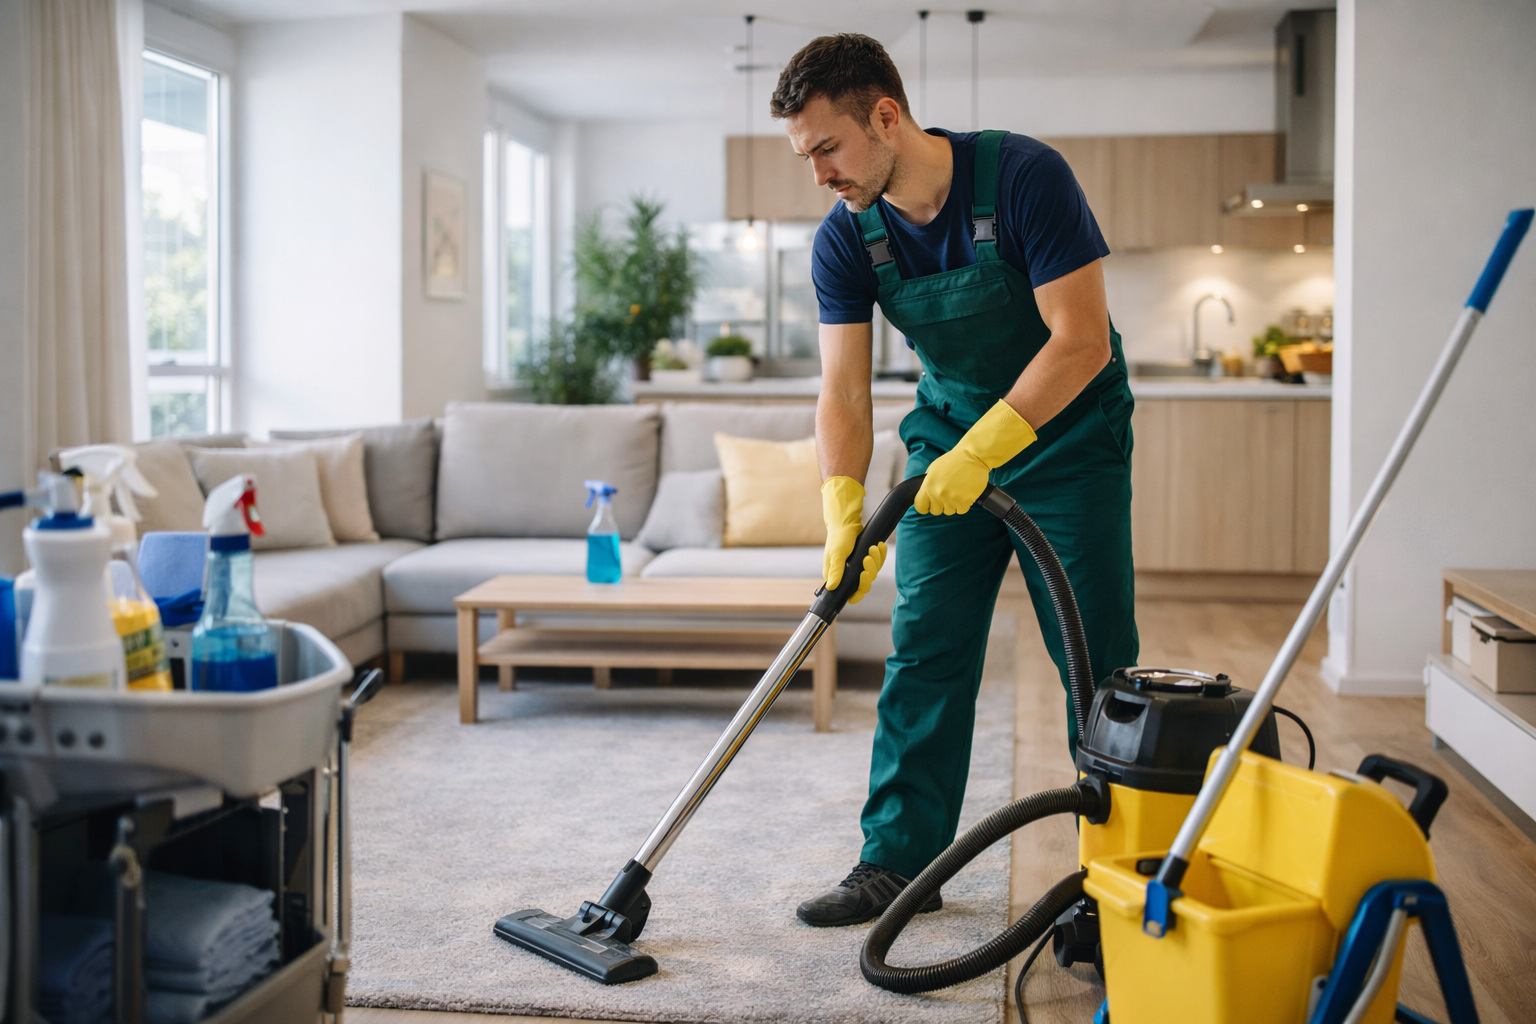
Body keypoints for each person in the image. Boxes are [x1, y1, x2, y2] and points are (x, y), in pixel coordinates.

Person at [770, 34, 1139, 927]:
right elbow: (842, 393)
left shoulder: (1022, 178)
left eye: (828, 148)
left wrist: (989, 451)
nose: (819, 175)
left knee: (1094, 661)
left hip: (1068, 441)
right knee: (925, 648)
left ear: (884, 116)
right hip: (947, 442)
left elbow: (1082, 341)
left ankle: (1121, 877)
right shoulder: (847, 237)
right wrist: (841, 509)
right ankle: (897, 863)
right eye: (805, 156)